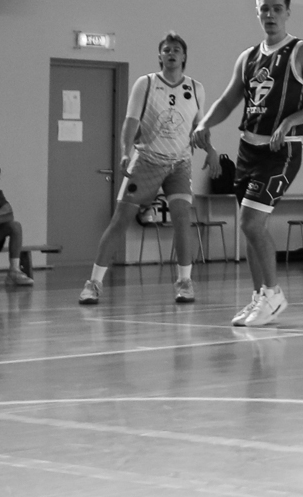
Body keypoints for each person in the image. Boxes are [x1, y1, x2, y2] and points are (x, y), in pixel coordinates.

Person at [196, 0, 303, 327]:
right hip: (248, 149)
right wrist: (204, 123)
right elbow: (229, 101)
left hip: (281, 150)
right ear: (257, 13)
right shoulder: (248, 58)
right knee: (249, 228)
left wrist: (290, 120)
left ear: (287, 12)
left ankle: (273, 293)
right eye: (264, 10)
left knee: (250, 222)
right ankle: (261, 297)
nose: (269, 15)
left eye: (276, 9)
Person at [79, 34, 209, 307]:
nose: (171, 53)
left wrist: (212, 150)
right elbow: (130, 122)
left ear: (184, 56)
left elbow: (199, 129)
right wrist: (126, 151)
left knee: (183, 220)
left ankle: (185, 282)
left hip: (180, 163)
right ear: (159, 55)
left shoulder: (196, 88)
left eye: (176, 50)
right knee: (120, 221)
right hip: (147, 159)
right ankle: (93, 284)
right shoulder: (146, 83)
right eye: (166, 50)